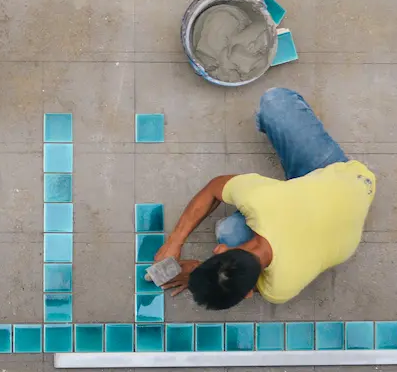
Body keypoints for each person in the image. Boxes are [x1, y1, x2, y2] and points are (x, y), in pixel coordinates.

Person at [155, 87, 376, 309]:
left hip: (342, 191)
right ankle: (299, 187)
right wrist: (176, 243)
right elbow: (214, 188)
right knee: (274, 100)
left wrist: (197, 272)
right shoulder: (278, 285)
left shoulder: (262, 205)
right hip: (349, 182)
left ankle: (299, 188)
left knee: (229, 232)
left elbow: (214, 188)